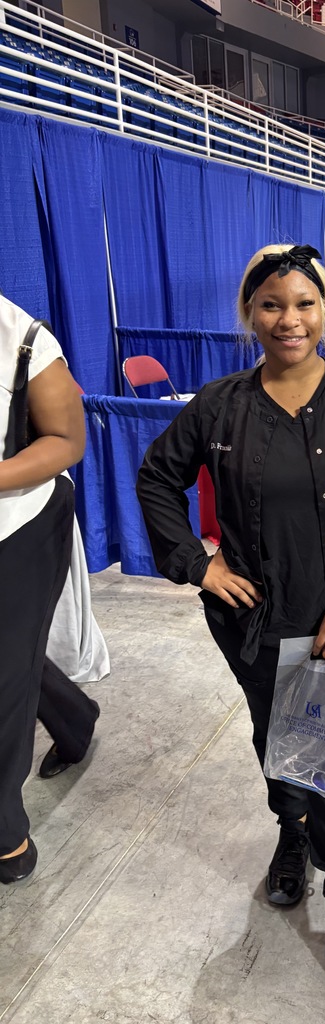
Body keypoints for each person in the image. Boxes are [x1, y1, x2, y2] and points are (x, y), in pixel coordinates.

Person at [136, 244, 325, 989]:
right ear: (250, 314)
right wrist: (199, 564)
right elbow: (157, 477)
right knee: (273, 733)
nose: (289, 320)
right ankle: (292, 834)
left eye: (304, 304)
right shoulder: (221, 404)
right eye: (272, 305)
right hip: (252, 616)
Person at [0, 295, 99, 884]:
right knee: (13, 660)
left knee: (3, 674)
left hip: (22, 521)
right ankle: (74, 718)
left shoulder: (24, 337)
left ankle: (6, 833)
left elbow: (67, 441)